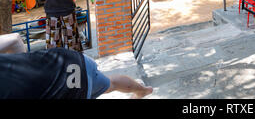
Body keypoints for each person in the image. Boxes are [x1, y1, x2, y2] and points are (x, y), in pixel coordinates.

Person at [0, 33, 153, 99]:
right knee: (110, 83)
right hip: (67, 60)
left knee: (106, 85)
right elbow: (14, 39)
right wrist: (25, 66)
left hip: (65, 90)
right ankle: (143, 91)